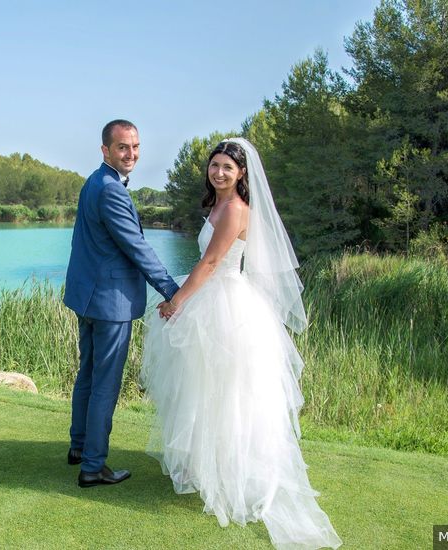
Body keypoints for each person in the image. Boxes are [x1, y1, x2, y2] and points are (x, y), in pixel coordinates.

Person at [142, 138, 342, 549]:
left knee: (231, 396)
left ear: (242, 174)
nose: (218, 173)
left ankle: (233, 477)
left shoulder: (234, 209)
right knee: (206, 393)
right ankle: (209, 468)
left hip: (227, 307)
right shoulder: (217, 205)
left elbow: (212, 263)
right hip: (215, 300)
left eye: (226, 168)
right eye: (214, 166)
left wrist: (177, 301)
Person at [63, 119, 180, 488]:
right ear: (105, 150)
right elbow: (137, 247)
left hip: (89, 297)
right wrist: (172, 290)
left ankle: (80, 447)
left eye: (135, 147)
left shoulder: (95, 182)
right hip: (110, 303)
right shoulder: (110, 190)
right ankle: (94, 466)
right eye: (122, 148)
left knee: (88, 374)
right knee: (105, 384)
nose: (131, 154)